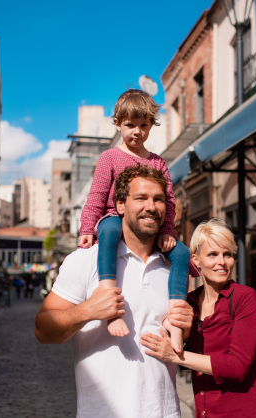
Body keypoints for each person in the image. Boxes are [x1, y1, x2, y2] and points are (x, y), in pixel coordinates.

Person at [35, 165, 194, 418]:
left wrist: (185, 328)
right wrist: (88, 310)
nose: (151, 207)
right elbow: (43, 330)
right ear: (120, 204)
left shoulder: (172, 268)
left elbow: (176, 343)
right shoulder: (86, 260)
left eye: (159, 199)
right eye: (141, 198)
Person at [77, 89, 198, 353]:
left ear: (151, 126)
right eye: (130, 125)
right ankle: (110, 303)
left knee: (182, 253)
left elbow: (168, 200)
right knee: (108, 233)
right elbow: (97, 194)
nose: (137, 132)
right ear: (118, 123)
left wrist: (167, 230)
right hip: (113, 216)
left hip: (150, 226)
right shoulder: (109, 157)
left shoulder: (158, 162)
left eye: (144, 125)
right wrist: (88, 227)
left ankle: (175, 321)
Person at [142, 219, 256, 418]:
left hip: (251, 412)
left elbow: (237, 367)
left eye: (228, 255)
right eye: (213, 254)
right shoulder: (188, 303)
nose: (221, 262)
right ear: (196, 260)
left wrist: (174, 356)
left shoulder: (245, 298)